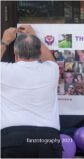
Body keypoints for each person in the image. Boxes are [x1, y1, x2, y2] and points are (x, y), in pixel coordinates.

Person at [1, 25, 62, 157]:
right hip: (48, 138)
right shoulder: (51, 70)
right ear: (39, 53)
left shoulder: (4, 71)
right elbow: (49, 59)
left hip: (13, 139)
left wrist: (5, 41)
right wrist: (35, 37)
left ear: (15, 54)